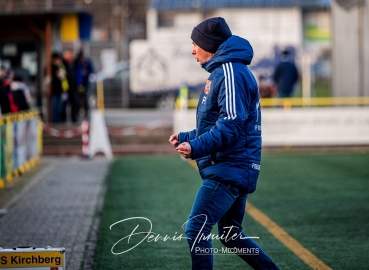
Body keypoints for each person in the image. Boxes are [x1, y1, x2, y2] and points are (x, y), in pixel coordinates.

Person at [169, 17, 279, 270]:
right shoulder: (224, 71)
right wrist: (187, 138)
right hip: (234, 166)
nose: (192, 50)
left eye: (196, 43)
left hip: (229, 167)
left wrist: (196, 147)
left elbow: (230, 125)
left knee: (196, 228)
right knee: (231, 235)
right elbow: (216, 125)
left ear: (210, 44)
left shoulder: (229, 71)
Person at [74, 50, 94, 118]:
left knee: (85, 98)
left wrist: (86, 73)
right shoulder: (77, 64)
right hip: (79, 84)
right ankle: (78, 112)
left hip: (85, 84)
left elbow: (91, 70)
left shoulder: (87, 63)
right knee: (78, 99)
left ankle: (86, 113)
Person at [61, 49, 79, 123]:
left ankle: (73, 118)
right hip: (65, 89)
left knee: (75, 103)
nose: (71, 57)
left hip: (73, 88)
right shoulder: (64, 65)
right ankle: (63, 119)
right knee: (64, 104)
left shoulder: (74, 64)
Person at [51, 52, 69, 123]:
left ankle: (59, 119)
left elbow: (64, 77)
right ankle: (55, 120)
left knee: (60, 107)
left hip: (61, 90)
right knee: (55, 106)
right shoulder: (52, 67)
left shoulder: (62, 66)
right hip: (54, 91)